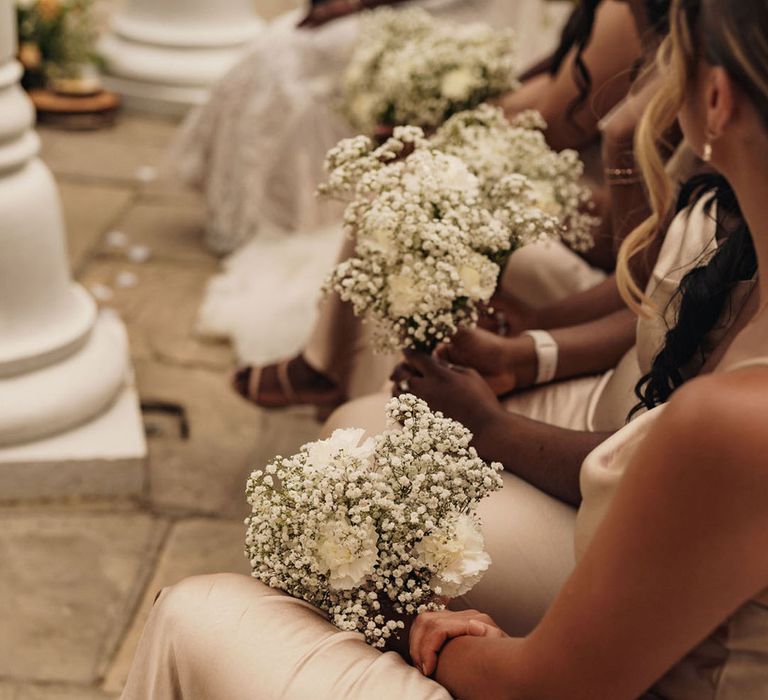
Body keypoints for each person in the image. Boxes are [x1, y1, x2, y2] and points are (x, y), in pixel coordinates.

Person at [120, 1, 768, 697]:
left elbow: (545, 686)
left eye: (676, 56)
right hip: (636, 586)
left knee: (198, 612)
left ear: (714, 97)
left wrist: (412, 628)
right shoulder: (733, 236)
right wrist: (526, 353)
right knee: (356, 451)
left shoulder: (733, 420)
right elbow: (657, 314)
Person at [230, 0, 653, 411]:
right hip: (569, 193)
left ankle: (352, 384)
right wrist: (450, 128)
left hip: (594, 223)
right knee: (411, 184)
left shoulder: (630, 15)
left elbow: (553, 126)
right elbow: (543, 87)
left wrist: (453, 140)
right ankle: (341, 376)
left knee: (419, 199)